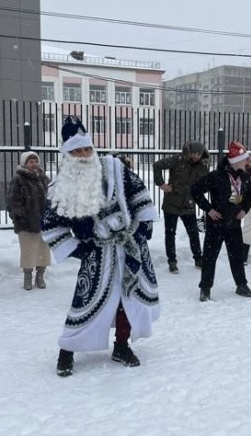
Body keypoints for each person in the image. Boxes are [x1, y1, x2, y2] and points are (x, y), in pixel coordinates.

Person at [41, 116, 159, 377]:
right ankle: (67, 349)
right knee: (87, 302)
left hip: (129, 246)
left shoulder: (114, 167)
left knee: (127, 298)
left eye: (86, 149)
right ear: (67, 154)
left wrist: (143, 225)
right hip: (97, 253)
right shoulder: (60, 186)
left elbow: (138, 191)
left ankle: (121, 346)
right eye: (76, 151)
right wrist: (77, 248)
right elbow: (50, 225)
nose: (83, 155)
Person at [191, 141, 251, 302]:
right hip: (216, 224)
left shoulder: (245, 177)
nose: (247, 163)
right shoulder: (216, 176)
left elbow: (250, 195)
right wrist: (208, 209)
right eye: (244, 160)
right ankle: (205, 288)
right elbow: (195, 190)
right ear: (235, 161)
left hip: (234, 224)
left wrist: (244, 210)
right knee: (210, 257)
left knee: (237, 257)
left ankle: (241, 285)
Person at [153, 141, 209, 273]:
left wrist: (202, 190)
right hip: (172, 202)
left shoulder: (203, 165)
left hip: (188, 204)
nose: (195, 156)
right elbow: (157, 165)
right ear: (189, 152)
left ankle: (198, 258)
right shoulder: (177, 159)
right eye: (193, 153)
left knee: (193, 233)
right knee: (170, 233)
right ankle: (172, 261)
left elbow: (205, 183)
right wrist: (161, 184)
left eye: (198, 154)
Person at [6, 151, 50, 290]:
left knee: (43, 250)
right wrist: (18, 215)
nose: (34, 164)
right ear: (24, 163)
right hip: (26, 221)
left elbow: (50, 196)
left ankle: (40, 275)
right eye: (30, 161)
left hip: (43, 221)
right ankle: (28, 276)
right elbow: (13, 200)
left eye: (36, 161)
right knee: (28, 250)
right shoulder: (18, 179)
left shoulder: (44, 178)